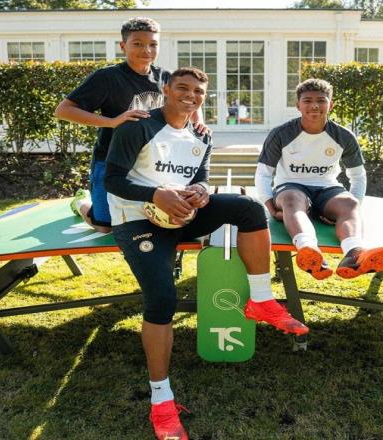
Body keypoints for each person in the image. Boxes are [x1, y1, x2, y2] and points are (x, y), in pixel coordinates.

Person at [104, 67, 308, 440]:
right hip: (139, 221)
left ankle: (261, 300)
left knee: (248, 209)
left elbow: (200, 176)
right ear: (166, 90)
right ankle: (161, 401)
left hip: (182, 214)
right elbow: (112, 180)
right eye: (182, 88)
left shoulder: (200, 134)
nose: (191, 95)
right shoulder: (137, 127)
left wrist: (200, 191)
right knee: (162, 299)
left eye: (198, 91)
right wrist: (156, 194)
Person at [54, 17, 206, 233]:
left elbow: (190, 99)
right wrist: (112, 122)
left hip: (152, 163)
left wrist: (198, 123)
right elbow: (63, 110)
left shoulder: (166, 77)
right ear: (123, 46)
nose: (147, 50)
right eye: (138, 44)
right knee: (105, 226)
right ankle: (81, 203)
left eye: (153, 44)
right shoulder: (107, 77)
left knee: (149, 217)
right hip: (111, 159)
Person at [255, 78, 383, 280]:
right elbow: (263, 173)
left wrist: (354, 206)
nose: (314, 105)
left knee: (349, 203)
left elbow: (358, 176)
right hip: (290, 186)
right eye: (307, 100)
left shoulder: (343, 136)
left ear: (331, 105)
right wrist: (271, 208)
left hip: (327, 189)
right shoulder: (281, 134)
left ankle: (354, 255)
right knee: (292, 200)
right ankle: (309, 251)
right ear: (298, 105)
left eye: (321, 100)